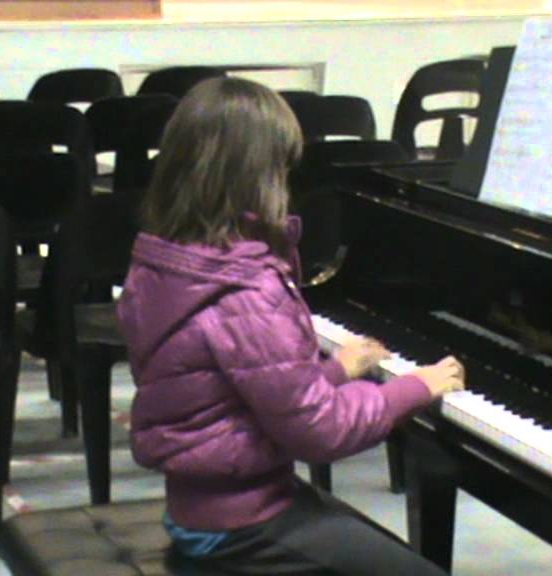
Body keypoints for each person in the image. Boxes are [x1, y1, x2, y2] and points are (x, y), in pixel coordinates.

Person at [116, 76, 465, 575]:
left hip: (201, 504)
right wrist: (415, 387)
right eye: (282, 165)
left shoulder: (166, 260)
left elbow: (244, 394)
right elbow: (320, 433)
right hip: (240, 527)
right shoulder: (246, 290)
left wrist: (337, 371)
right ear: (259, 175)